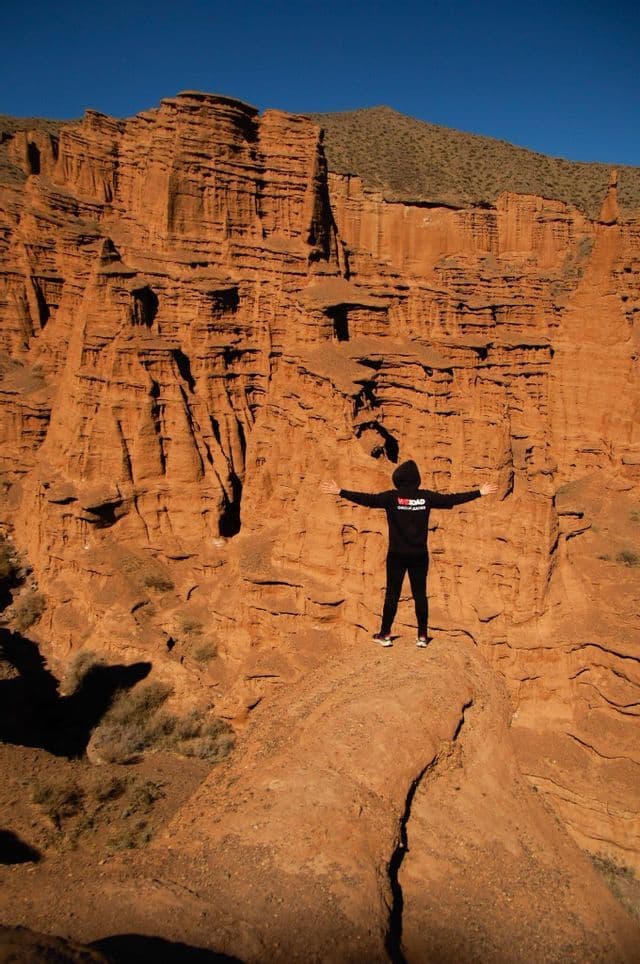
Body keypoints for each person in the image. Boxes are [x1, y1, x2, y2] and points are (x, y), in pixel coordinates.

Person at [321, 460, 497, 648]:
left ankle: (385, 634)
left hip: (397, 555)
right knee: (420, 595)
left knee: (392, 595)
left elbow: (367, 500)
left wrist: (340, 491)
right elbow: (450, 499)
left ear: (398, 480)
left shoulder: (391, 498)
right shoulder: (426, 497)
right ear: (416, 479)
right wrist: (479, 492)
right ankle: (422, 636)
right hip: (419, 555)